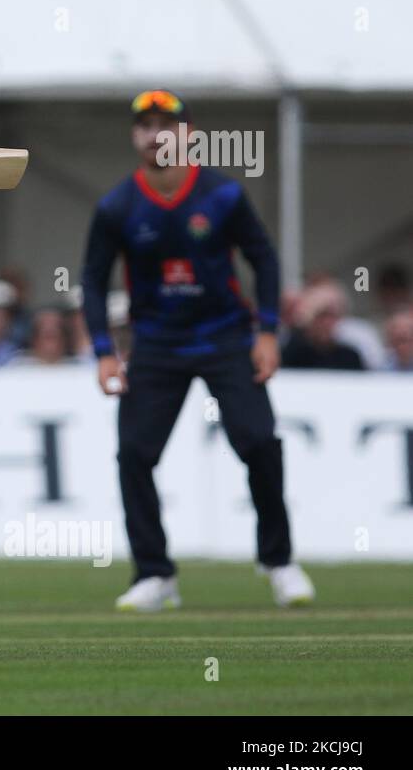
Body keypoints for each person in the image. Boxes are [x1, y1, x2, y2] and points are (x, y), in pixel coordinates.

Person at [80, 89, 314, 612]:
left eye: (168, 124)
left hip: (226, 338)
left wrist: (269, 332)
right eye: (146, 125)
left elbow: (265, 260)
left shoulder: (222, 195)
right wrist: (103, 351)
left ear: (187, 133)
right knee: (135, 455)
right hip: (157, 344)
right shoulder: (117, 205)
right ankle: (155, 574)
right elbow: (93, 281)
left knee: (258, 442)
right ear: (135, 135)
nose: (156, 134)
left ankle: (278, 562)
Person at [281, 281, 365, 370]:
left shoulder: (350, 357)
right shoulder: (293, 354)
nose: (327, 323)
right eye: (322, 316)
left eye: (332, 316)